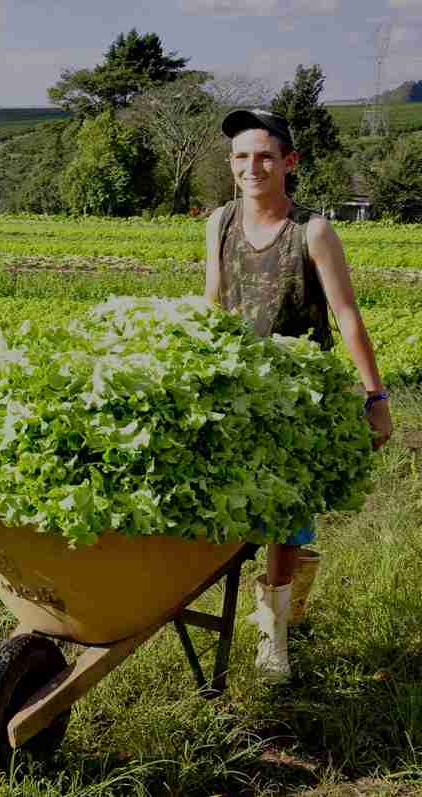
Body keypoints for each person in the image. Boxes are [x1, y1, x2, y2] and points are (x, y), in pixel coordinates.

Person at [205, 108, 392, 682]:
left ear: (289, 162)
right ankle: (265, 605)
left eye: (265, 156)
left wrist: (376, 396)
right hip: (236, 389)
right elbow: (213, 299)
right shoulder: (219, 222)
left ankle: (275, 636)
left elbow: (346, 315)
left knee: (286, 521)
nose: (252, 167)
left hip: (296, 399)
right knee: (228, 505)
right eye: (241, 156)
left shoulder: (311, 231)